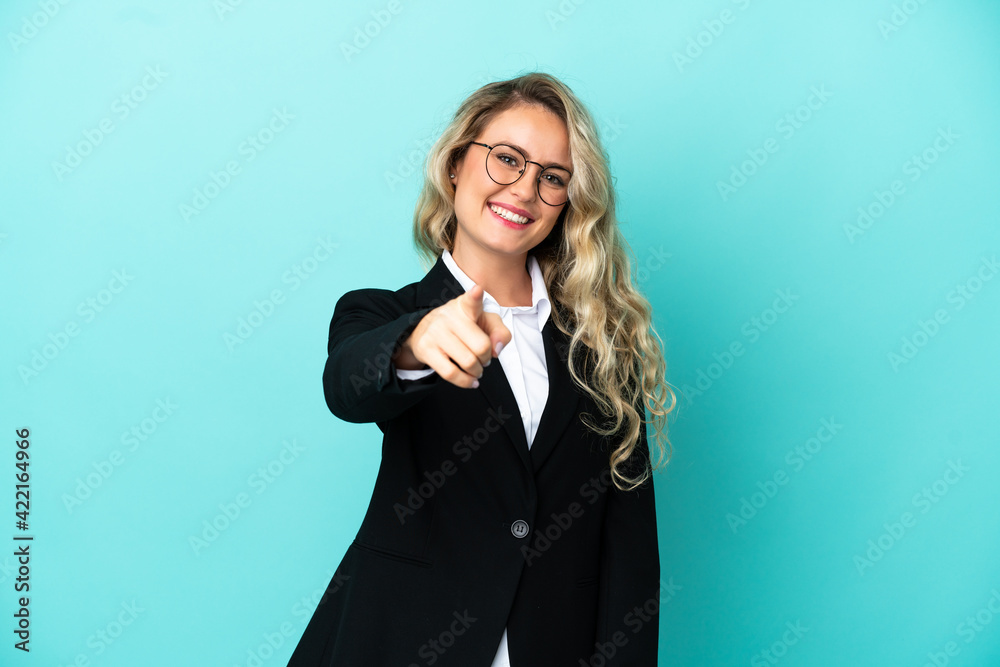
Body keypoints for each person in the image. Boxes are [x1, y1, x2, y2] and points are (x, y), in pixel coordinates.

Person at [287, 71, 676, 666]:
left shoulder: (602, 346)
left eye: (553, 177)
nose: (524, 190)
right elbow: (348, 386)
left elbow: (630, 555)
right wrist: (414, 344)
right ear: (455, 166)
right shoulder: (382, 314)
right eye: (507, 159)